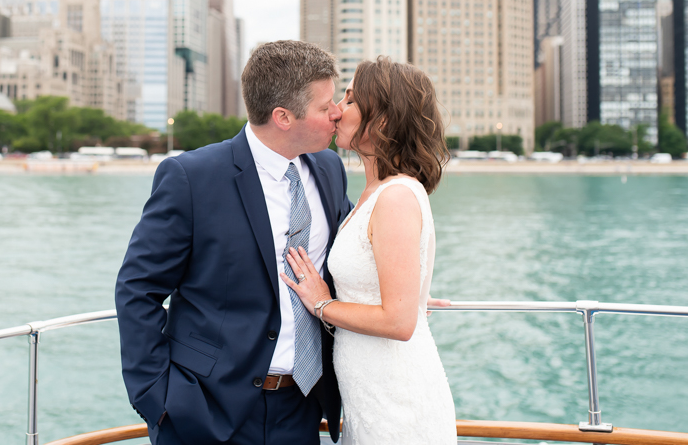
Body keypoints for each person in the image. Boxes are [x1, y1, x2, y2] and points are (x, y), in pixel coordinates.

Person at [115, 40, 351, 444]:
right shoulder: (191, 177)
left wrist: (395, 293)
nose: (338, 113)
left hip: (303, 407)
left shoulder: (328, 168)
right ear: (283, 117)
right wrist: (161, 401)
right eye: (324, 106)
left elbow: (347, 256)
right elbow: (138, 290)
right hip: (206, 410)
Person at [282, 57, 457, 444]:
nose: (337, 110)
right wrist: (415, 294)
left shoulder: (394, 197)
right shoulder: (375, 192)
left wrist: (322, 304)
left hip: (396, 403)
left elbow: (399, 322)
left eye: (349, 99)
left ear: (380, 121)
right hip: (369, 397)